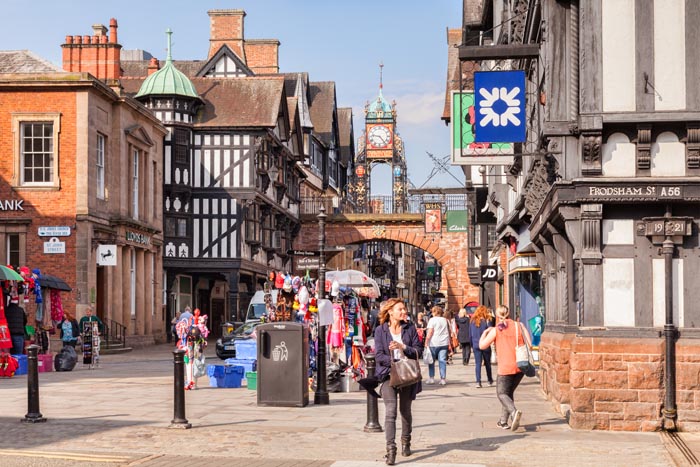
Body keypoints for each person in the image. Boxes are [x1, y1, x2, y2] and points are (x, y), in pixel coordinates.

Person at [373, 298, 423, 466]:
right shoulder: (380, 330)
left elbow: (418, 351)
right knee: (391, 411)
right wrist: (394, 361)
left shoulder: (410, 329)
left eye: (404, 309)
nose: (404, 311)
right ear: (390, 312)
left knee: (405, 411)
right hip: (388, 375)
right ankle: (391, 449)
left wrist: (403, 348)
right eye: (400, 309)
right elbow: (379, 356)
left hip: (407, 375)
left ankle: (406, 440)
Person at [479, 305, 531, 431]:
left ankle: (514, 413)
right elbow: (529, 343)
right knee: (508, 394)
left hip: (505, 367)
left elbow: (482, 346)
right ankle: (503, 421)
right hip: (520, 365)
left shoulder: (496, 330)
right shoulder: (520, 326)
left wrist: (485, 332)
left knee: (501, 393)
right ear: (509, 313)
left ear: (497, 315)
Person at [424, 306, 450, 385]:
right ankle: (443, 379)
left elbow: (430, 332)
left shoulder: (432, 320)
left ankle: (431, 378)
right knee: (442, 361)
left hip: (434, 343)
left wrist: (426, 342)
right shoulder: (445, 320)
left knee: (431, 361)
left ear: (434, 312)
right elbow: (449, 331)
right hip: (444, 342)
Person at [469, 305, 494, 388]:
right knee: (487, 363)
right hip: (485, 344)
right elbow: (490, 332)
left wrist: (472, 345)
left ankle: (478, 382)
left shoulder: (472, 321)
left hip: (476, 344)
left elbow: (470, 335)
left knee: (478, 363)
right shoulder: (488, 320)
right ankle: (489, 380)